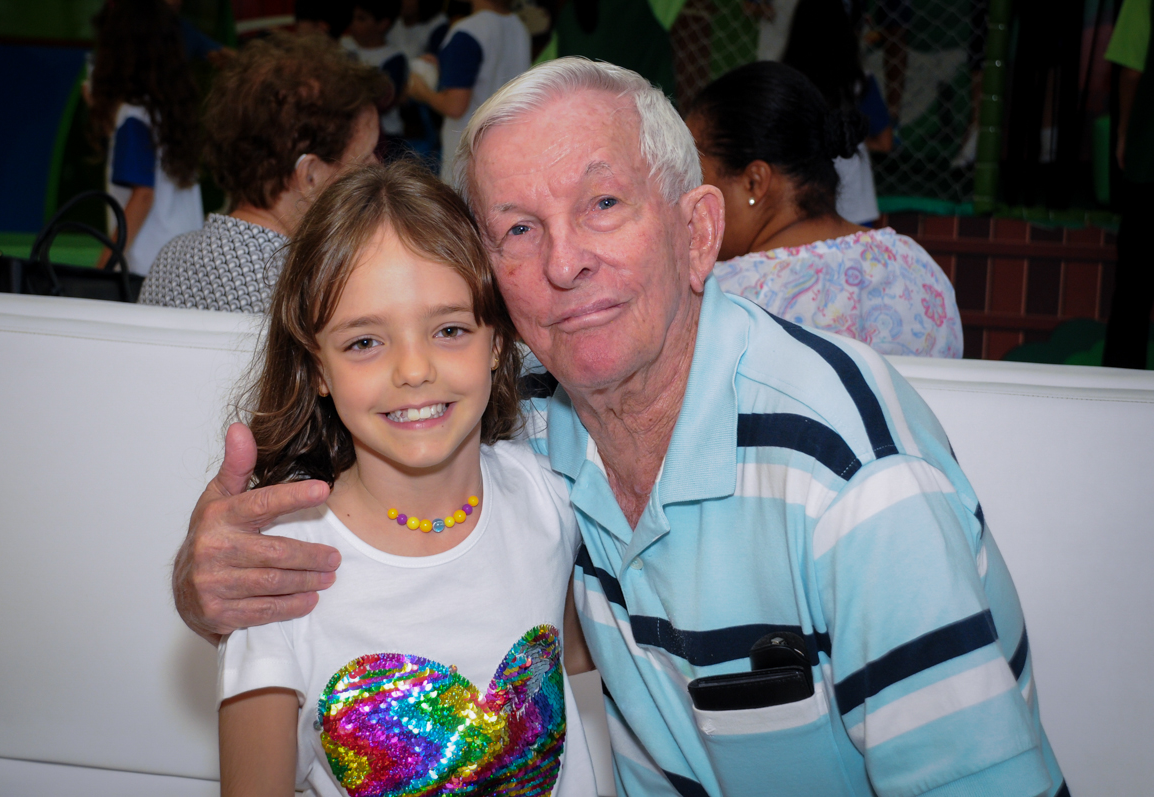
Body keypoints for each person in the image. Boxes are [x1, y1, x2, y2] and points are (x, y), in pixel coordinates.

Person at [174, 58, 1066, 797]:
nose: (563, 263)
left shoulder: (852, 481)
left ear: (698, 231)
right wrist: (209, 579)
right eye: (519, 228)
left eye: (604, 205)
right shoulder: (540, 440)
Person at [215, 160, 596, 797]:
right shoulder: (278, 571)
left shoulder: (549, 495)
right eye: (365, 342)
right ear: (316, 367)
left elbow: (582, 696)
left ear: (497, 340)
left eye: (449, 329)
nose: (414, 369)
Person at [686, 62, 963, 358]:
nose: (686, 199)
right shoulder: (917, 267)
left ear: (755, 182)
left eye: (693, 175)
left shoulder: (724, 298)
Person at [139, 34, 388, 313]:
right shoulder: (307, 293)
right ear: (310, 176)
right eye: (365, 155)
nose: (377, 166)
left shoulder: (170, 258)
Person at [88, 0, 204, 277]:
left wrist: (102, 266)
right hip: (184, 266)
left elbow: (142, 195)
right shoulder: (167, 112)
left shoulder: (133, 117)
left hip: (147, 272)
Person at [781, 0, 891, 226]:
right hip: (855, 205)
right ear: (846, 34)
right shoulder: (861, 83)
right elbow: (885, 142)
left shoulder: (785, 83)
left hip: (797, 202)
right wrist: (845, 136)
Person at [405, 0, 529, 182]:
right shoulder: (519, 28)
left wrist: (421, 92)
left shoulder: (468, 30)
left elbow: (455, 106)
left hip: (468, 153)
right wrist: (445, 68)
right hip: (510, 149)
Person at [1103, 0, 1154, 369]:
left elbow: (1131, 71)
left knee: (1135, 288)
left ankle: (1121, 388)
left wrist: (1124, 130)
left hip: (1151, 160)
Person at [344, 0, 409, 141]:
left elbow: (384, 101)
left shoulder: (394, 57)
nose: (353, 23)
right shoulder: (344, 46)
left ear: (383, 24)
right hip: (348, 131)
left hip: (386, 134)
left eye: (361, 19)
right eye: (352, 17)